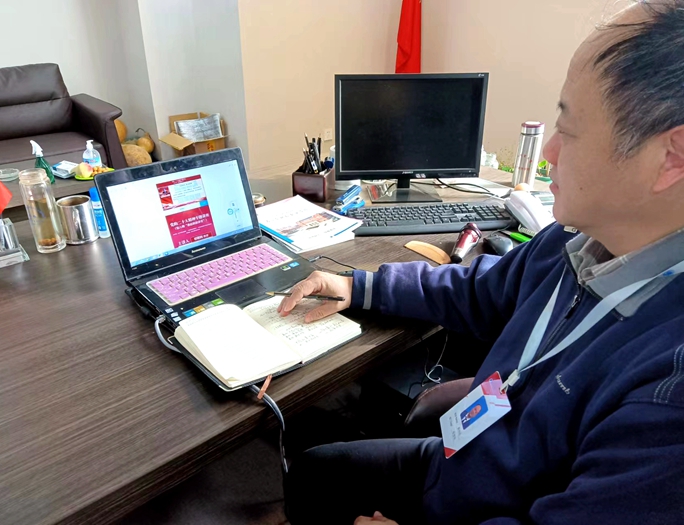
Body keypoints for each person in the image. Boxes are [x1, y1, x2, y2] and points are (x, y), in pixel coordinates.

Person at [280, 2, 684, 524]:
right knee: (314, 473)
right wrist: (360, 287)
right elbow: (480, 288)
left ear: (672, 157)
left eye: (569, 130)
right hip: (464, 460)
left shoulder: (669, 394)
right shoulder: (577, 238)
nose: (550, 152)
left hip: (494, 507)